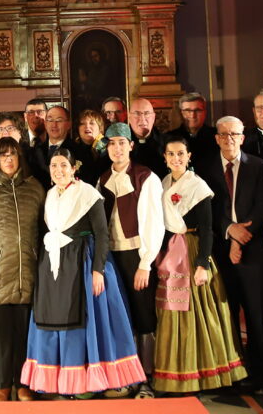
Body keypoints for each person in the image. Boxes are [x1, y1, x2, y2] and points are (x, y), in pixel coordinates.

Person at [20, 148, 146, 397]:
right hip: (55, 265)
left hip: (84, 261)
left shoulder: (88, 194)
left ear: (74, 167)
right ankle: (65, 380)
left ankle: (94, 379)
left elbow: (102, 234)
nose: (59, 171)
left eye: (63, 165)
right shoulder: (49, 195)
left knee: (88, 320)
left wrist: (98, 270)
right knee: (53, 317)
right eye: (54, 166)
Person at [152, 137, 247, 394]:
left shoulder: (197, 186)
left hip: (193, 249)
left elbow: (207, 229)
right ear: (165, 158)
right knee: (173, 311)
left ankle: (205, 373)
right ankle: (177, 373)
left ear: (189, 156)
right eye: (171, 154)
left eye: (181, 154)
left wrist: (202, 263)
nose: (176, 158)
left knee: (200, 313)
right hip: (172, 251)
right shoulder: (162, 184)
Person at [201, 115, 263, 394]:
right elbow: (208, 208)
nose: (229, 139)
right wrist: (229, 231)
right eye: (223, 134)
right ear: (217, 138)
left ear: (243, 137)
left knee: (256, 315)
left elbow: (262, 206)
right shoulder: (206, 168)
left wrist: (242, 238)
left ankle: (260, 375)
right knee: (226, 315)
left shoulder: (259, 166)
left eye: (234, 134)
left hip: (253, 251)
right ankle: (231, 373)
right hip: (220, 251)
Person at [0, 137, 45, 402]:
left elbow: (44, 230)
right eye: (4, 156)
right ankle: (2, 384)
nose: (9, 160)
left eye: (13, 155)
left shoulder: (35, 188)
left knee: (25, 334)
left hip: (28, 273)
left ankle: (23, 384)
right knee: (0, 337)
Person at [97, 122, 163, 396]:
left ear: (131, 146)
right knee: (121, 316)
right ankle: (126, 373)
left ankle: (147, 375)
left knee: (143, 315)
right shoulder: (101, 180)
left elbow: (154, 223)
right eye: (111, 143)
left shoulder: (145, 178)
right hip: (112, 256)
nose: (116, 148)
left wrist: (145, 263)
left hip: (137, 254)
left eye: (122, 143)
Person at [30, 105, 95, 185]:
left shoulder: (81, 152)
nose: (54, 125)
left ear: (68, 124)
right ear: (45, 124)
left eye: (59, 120)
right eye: (50, 120)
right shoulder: (36, 151)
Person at [166, 92, 217, 172]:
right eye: (187, 110)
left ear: (205, 112)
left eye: (197, 110)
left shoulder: (217, 136)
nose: (192, 115)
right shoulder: (169, 138)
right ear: (181, 113)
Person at [128, 98, 166, 177]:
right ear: (129, 117)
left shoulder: (166, 143)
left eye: (147, 113)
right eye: (137, 114)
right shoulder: (121, 144)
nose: (142, 118)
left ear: (153, 117)